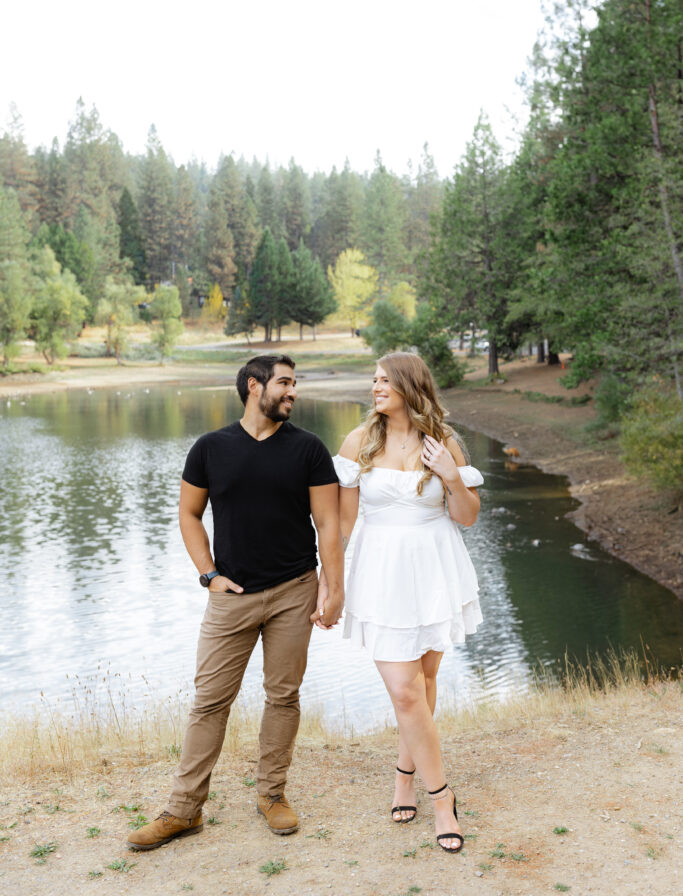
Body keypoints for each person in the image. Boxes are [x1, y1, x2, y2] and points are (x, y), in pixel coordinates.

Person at [128, 354, 344, 851]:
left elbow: (328, 525)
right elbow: (188, 513)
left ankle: (272, 795)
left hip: (294, 591)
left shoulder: (310, 450)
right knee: (209, 702)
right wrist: (209, 575)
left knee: (283, 696)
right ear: (254, 386)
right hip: (232, 597)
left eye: (295, 383)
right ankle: (183, 810)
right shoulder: (210, 448)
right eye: (285, 383)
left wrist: (334, 588)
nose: (293, 392)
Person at [333, 351, 483, 854]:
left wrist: (451, 474)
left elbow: (466, 517)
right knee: (405, 690)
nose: (374, 388)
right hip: (381, 574)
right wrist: (329, 579)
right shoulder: (359, 442)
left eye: (383, 381)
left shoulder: (444, 443)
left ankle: (404, 775)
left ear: (408, 385)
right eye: (372, 380)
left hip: (435, 569)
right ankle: (442, 797)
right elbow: (344, 523)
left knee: (424, 681)